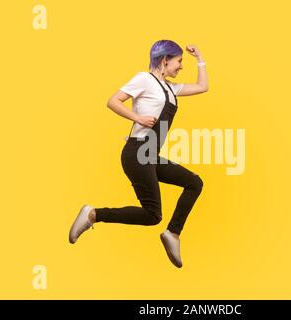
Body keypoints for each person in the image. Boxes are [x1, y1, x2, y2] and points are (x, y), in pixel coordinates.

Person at [68, 40, 209, 268]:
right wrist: (138, 118)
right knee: (153, 215)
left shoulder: (170, 89)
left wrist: (199, 59)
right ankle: (93, 214)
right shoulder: (144, 79)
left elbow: (202, 87)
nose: (181, 66)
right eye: (179, 61)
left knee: (194, 183)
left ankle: (172, 233)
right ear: (165, 60)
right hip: (137, 152)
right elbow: (113, 101)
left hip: (150, 155)